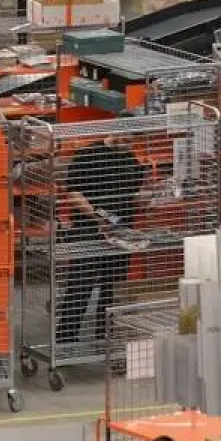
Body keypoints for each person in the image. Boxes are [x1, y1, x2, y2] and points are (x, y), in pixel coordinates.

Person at [56, 131, 148, 351]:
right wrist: (96, 216)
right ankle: (65, 339)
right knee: (80, 284)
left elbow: (134, 195)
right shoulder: (88, 155)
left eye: (132, 142)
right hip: (88, 228)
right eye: (125, 139)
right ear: (116, 132)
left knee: (113, 286)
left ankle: (105, 336)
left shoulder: (131, 160)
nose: (128, 145)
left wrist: (152, 196)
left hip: (120, 231)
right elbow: (74, 194)